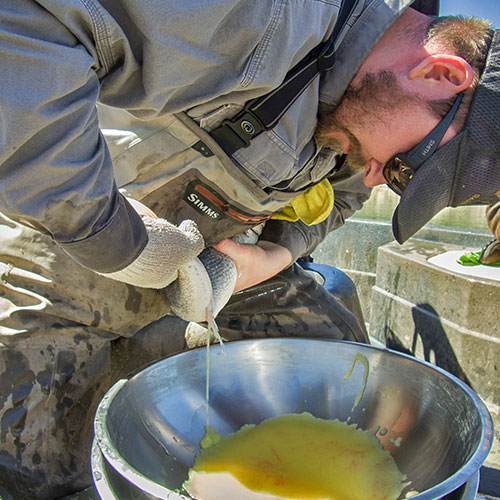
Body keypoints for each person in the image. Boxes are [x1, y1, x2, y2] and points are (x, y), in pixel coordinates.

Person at [0, 0, 498, 498]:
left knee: (336, 348)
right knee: (32, 463)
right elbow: (31, 21)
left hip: (215, 269)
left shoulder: (366, 111)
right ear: (440, 73)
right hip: (66, 249)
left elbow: (342, 197)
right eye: (405, 171)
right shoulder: (264, 14)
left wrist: (272, 258)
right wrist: (112, 236)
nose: (375, 176)